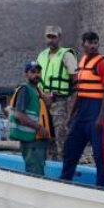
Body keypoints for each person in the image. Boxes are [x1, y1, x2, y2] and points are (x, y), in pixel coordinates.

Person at [61, 32, 104, 187]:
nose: (93, 45)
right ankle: (65, 180)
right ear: (83, 44)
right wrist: (70, 116)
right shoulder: (82, 62)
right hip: (82, 111)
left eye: (95, 42)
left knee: (99, 155)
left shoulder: (102, 63)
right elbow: (79, 91)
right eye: (90, 42)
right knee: (70, 147)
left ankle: (101, 187)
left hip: (96, 110)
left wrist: (100, 117)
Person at [37, 25, 78, 156]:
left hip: (60, 101)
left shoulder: (66, 55)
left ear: (59, 38)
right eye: (48, 36)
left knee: (61, 136)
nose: (51, 40)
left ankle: (63, 165)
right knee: (46, 136)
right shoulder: (42, 55)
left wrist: (72, 103)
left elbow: (76, 80)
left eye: (53, 37)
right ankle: (51, 164)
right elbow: (36, 77)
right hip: (43, 102)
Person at [8, 62, 53, 176]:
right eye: (32, 72)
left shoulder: (37, 90)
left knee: (39, 170)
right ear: (26, 74)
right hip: (31, 141)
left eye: (38, 72)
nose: (36, 75)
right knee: (35, 173)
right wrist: (39, 127)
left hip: (38, 139)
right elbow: (19, 115)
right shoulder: (25, 90)